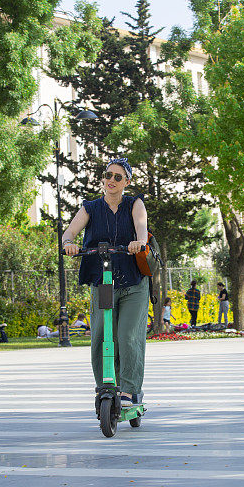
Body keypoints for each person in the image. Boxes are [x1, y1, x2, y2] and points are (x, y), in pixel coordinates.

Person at [62, 158, 149, 409]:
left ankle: (131, 390)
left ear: (127, 182)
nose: (111, 180)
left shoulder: (135, 204)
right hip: (103, 282)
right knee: (102, 335)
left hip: (133, 283)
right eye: (108, 175)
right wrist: (69, 244)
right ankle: (105, 386)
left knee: (127, 336)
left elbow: (141, 229)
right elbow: (70, 233)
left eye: (118, 177)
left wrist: (138, 242)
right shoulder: (90, 208)